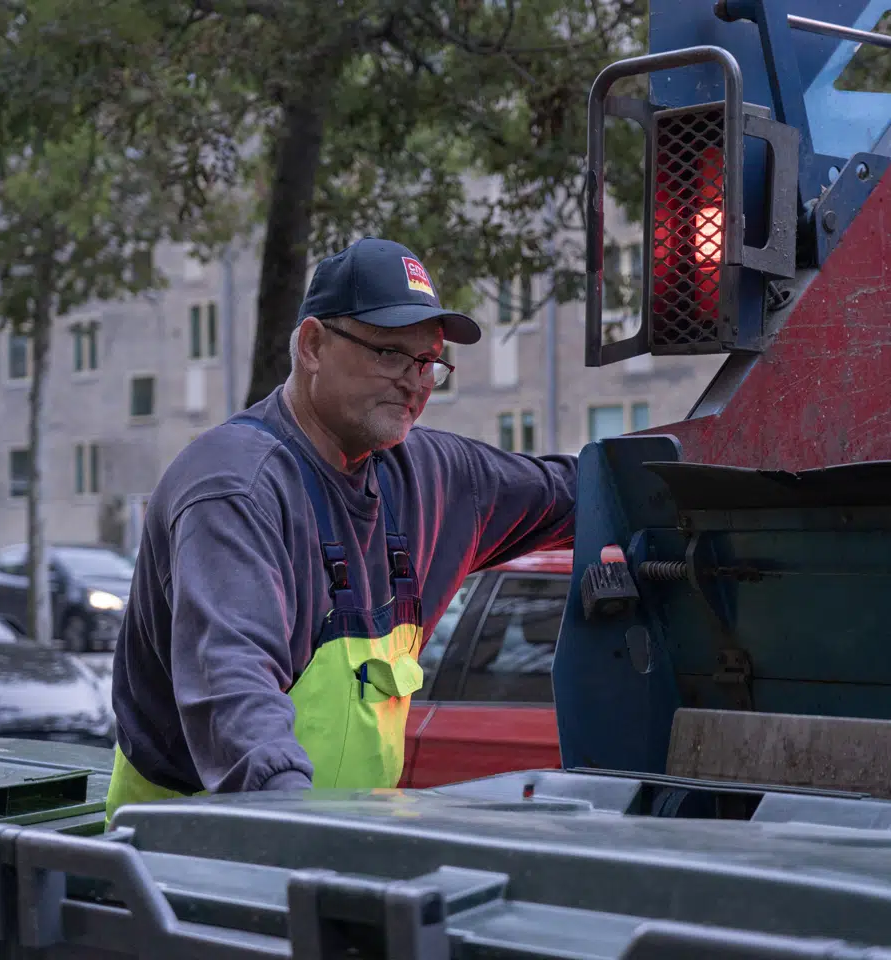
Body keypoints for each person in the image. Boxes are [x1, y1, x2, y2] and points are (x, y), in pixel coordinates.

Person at [105, 237, 577, 822]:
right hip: (196, 854)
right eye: (390, 353)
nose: (415, 382)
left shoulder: (431, 477)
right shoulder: (236, 490)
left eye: (428, 362)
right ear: (312, 346)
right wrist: (303, 826)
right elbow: (235, 695)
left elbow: (587, 492)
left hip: (342, 848)